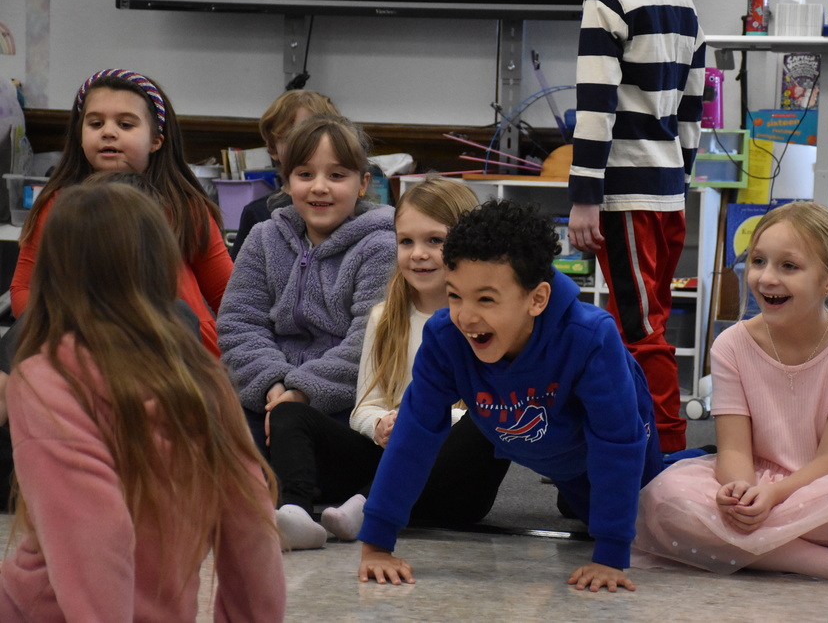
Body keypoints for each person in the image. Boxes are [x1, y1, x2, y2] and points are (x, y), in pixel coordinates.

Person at [0, 183, 284, 622]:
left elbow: (93, 531)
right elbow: (252, 525)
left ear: (55, 274)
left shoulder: (45, 379)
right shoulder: (202, 374)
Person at [357, 199, 663, 592]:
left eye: (485, 299)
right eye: (454, 295)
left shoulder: (589, 338)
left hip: (618, 447)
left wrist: (611, 555)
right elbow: (413, 435)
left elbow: (617, 443)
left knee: (651, 527)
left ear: (536, 299)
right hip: (553, 456)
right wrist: (378, 543)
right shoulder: (445, 338)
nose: (466, 316)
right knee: (584, 511)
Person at [634, 202, 828, 586]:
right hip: (752, 478)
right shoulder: (731, 345)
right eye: (758, 261)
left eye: (789, 266)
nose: (766, 278)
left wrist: (774, 498)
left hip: (821, 486)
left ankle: (742, 548)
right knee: (665, 494)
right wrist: (741, 492)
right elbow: (734, 449)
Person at [269, 178, 510, 550]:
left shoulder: (487, 321)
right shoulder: (385, 316)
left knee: (487, 421)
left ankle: (370, 507)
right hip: (385, 456)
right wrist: (380, 423)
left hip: (450, 482)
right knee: (290, 414)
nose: (418, 254)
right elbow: (364, 404)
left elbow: (496, 408)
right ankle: (296, 513)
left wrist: (420, 423)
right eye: (406, 242)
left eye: (435, 240)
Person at [567, 0, 706, 455]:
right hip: (668, 190)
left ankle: (665, 452)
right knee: (651, 323)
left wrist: (584, 197)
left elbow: (595, 105)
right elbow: (694, 106)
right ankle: (639, 441)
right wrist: (679, 178)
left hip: (626, 193)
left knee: (640, 333)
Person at [9, 68, 232, 357]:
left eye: (125, 125)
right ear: (80, 135)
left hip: (180, 358)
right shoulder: (56, 205)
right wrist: (65, 339)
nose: (108, 132)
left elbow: (231, 297)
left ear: (156, 140)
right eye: (96, 123)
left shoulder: (185, 206)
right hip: (79, 354)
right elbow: (24, 290)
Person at [217, 113, 395, 458]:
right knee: (206, 428)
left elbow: (367, 341)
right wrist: (274, 384)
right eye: (305, 174)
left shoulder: (381, 247)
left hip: (340, 401)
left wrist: (300, 392)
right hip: (267, 393)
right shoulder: (264, 238)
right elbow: (239, 323)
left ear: (362, 183)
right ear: (287, 182)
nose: (319, 187)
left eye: (337, 175)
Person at [231, 89, 340, 259]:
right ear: (272, 148)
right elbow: (240, 280)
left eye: (313, 137)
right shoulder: (258, 213)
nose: (303, 146)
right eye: (292, 137)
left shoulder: (344, 203)